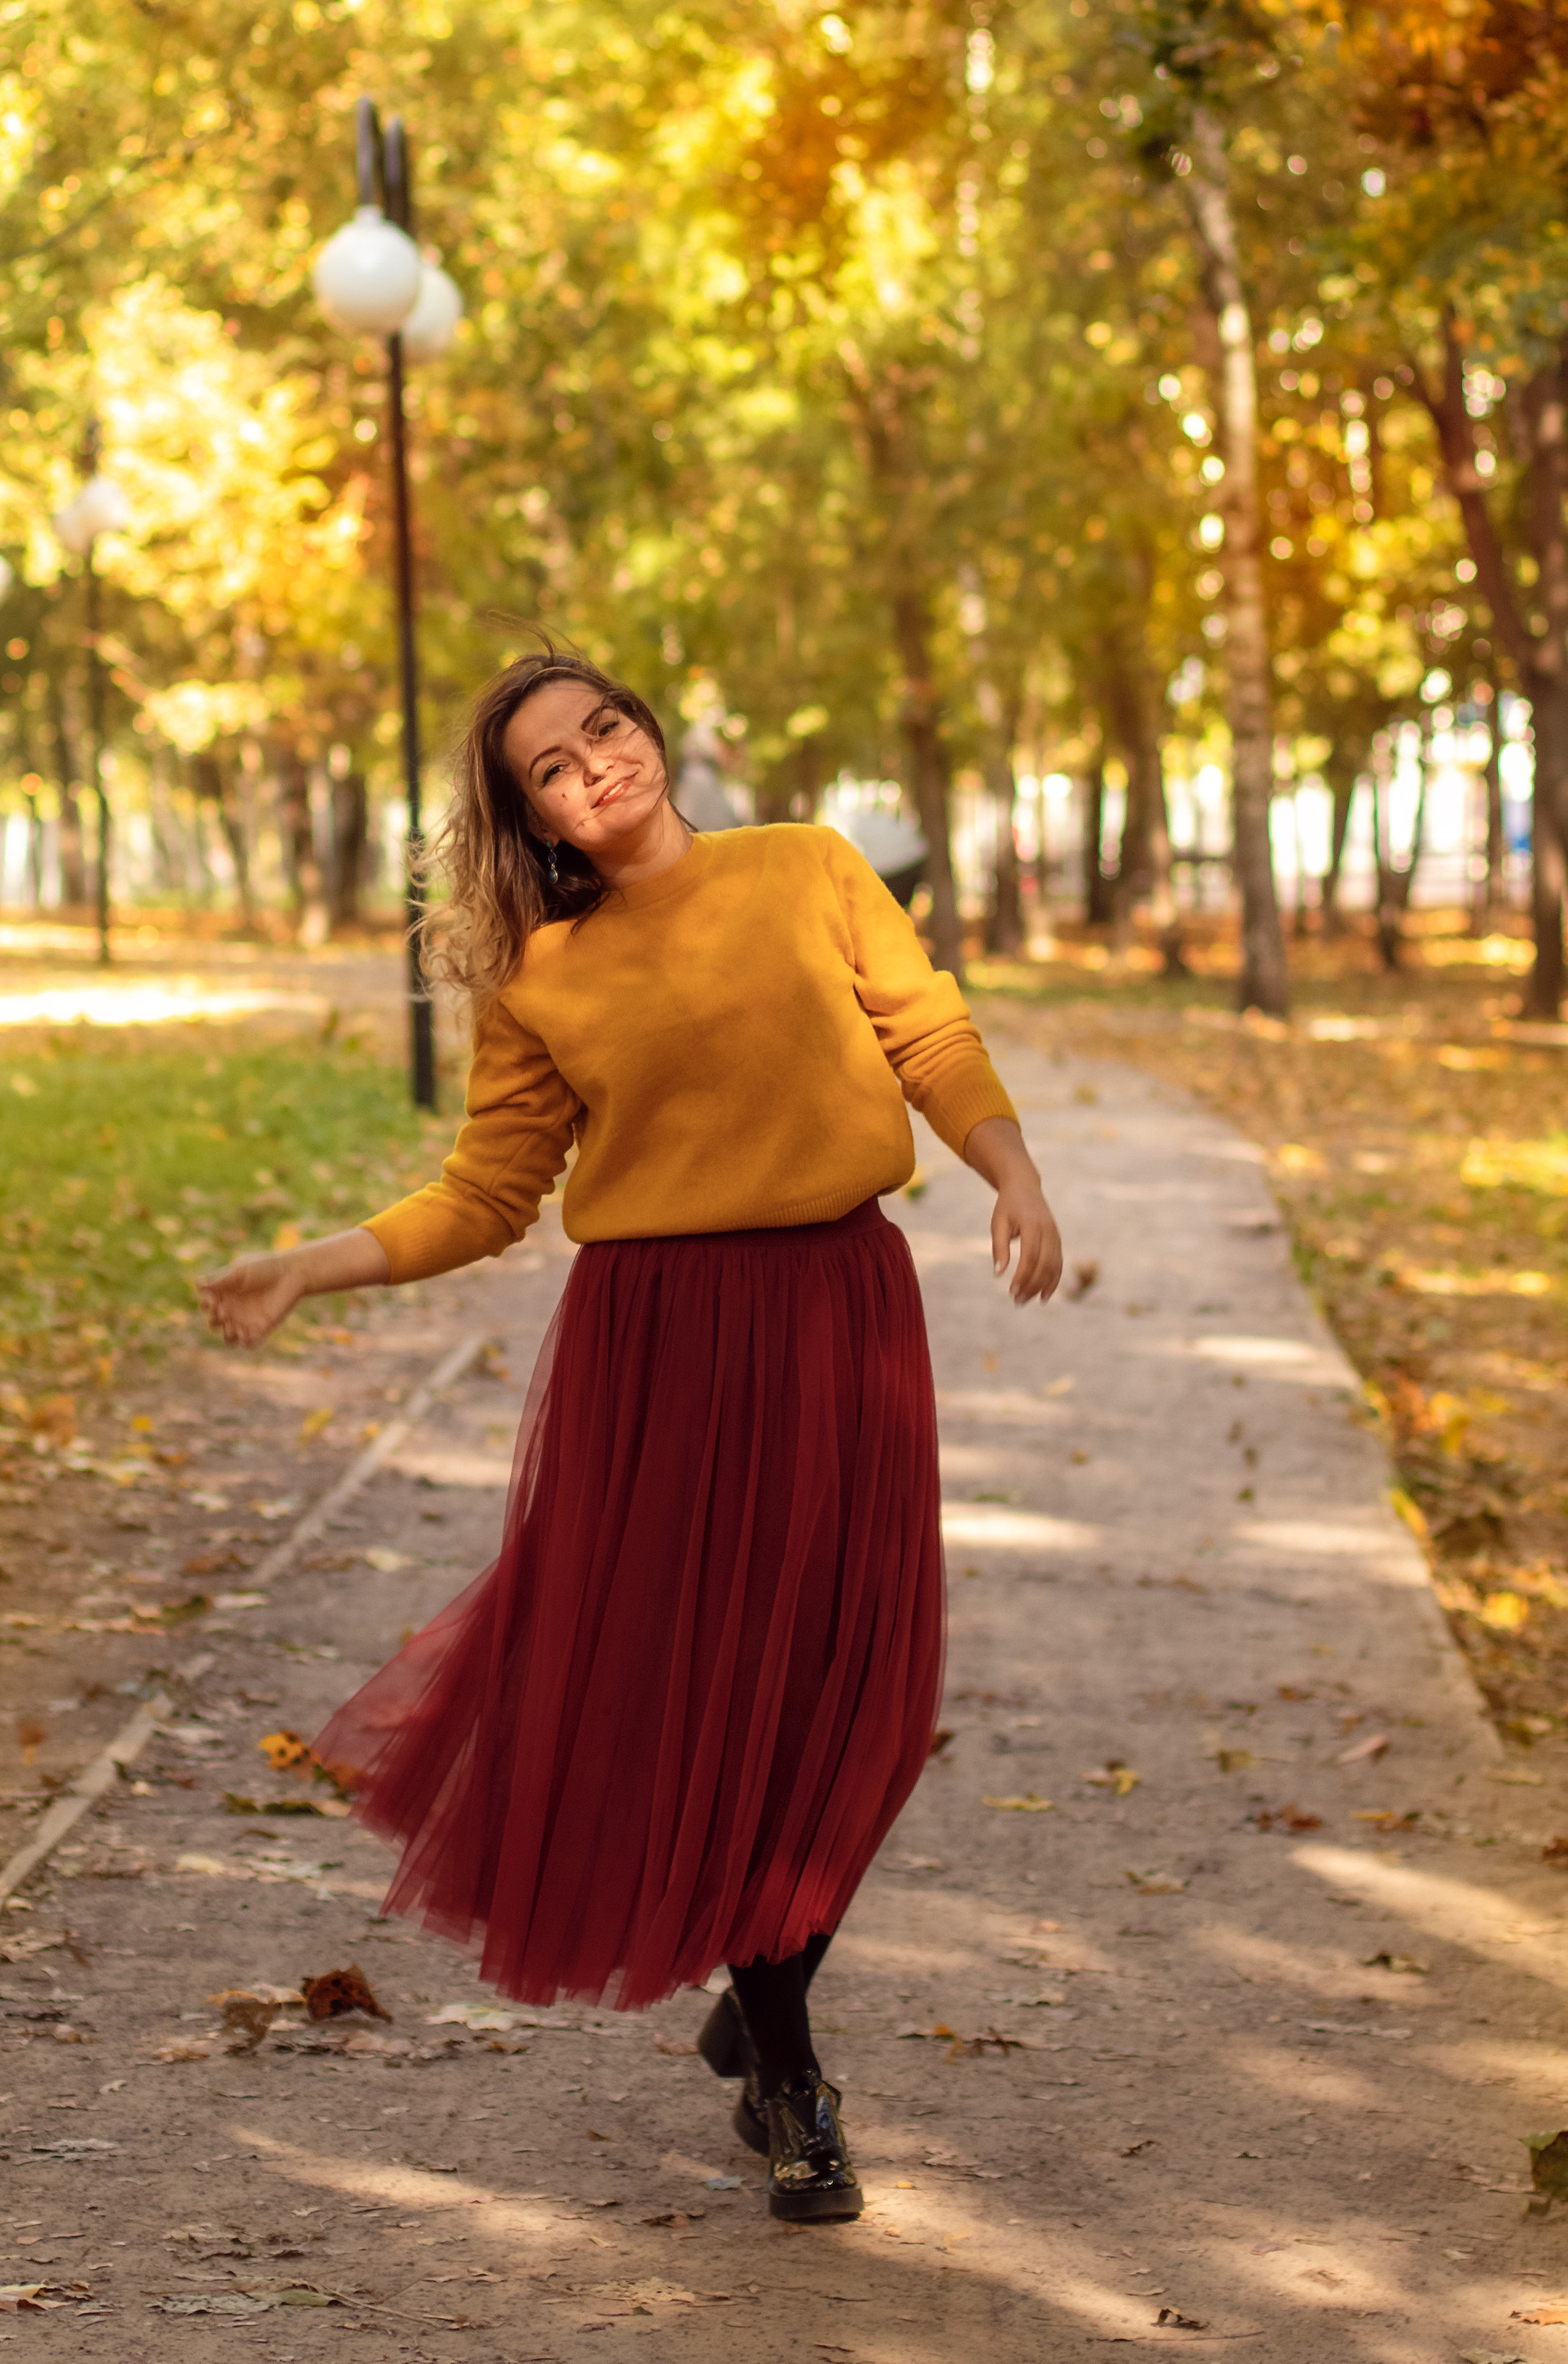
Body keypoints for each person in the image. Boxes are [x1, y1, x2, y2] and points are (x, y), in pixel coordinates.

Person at [198, 651, 1062, 2224]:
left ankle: (767, 1974)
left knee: (867, 1694)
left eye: (603, 727)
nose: (593, 762)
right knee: (723, 1695)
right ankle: (789, 2079)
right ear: (532, 819)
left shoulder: (808, 867)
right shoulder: (544, 972)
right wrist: (310, 1266)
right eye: (551, 764)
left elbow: (928, 1035)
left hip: (844, 1311)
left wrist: (1012, 1173)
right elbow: (487, 1192)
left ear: (647, 733)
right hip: (665, 1348)